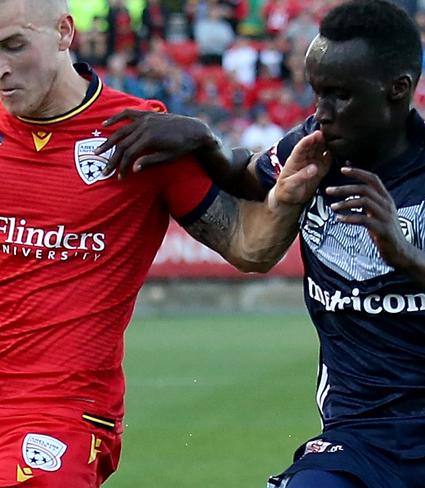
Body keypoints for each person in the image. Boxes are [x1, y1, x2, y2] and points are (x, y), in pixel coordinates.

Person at [96, 1, 425, 487]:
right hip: (361, 436)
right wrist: (203, 140)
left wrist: (403, 252)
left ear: (399, 90)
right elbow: (248, 176)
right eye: (316, 93)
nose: (322, 112)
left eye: (340, 96)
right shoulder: (316, 147)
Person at [0, 1, 323, 486]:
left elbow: (247, 244)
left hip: (57, 414)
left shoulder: (141, 137)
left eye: (14, 45)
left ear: (65, 32)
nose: (0, 67)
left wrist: (288, 195)